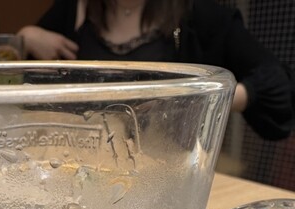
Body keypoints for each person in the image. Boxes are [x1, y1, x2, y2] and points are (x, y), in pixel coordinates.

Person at [18, 0, 295, 140]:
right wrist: (26, 36)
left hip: (168, 168)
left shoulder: (200, 14)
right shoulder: (73, 9)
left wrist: (195, 101)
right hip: (79, 163)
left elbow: (280, 85)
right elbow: (19, 92)